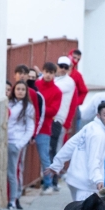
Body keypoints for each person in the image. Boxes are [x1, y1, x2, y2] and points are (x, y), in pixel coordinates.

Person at [46, 102, 105, 210]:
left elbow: (70, 144)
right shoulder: (99, 135)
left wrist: (57, 164)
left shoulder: (89, 128)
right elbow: (94, 159)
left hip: (75, 178)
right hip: (86, 181)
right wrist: (98, 180)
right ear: (98, 115)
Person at [35, 62, 63, 195]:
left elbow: (53, 110)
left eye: (51, 73)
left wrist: (39, 108)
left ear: (54, 74)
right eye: (46, 72)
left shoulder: (57, 91)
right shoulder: (36, 85)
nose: (48, 75)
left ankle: (48, 184)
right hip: (31, 125)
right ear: (43, 71)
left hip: (44, 127)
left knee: (45, 157)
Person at [7, 81, 35, 210]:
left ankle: (14, 199)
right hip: (5, 141)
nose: (20, 91)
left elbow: (30, 128)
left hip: (16, 142)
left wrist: (20, 143)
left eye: (23, 89)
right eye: (18, 89)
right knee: (8, 172)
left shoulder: (28, 107)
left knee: (14, 172)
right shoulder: (8, 103)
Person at [52, 56, 77, 189]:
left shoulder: (69, 82)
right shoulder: (55, 79)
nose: (62, 69)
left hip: (58, 120)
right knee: (49, 150)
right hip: (49, 118)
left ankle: (54, 180)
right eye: (60, 65)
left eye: (65, 67)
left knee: (56, 151)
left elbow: (54, 89)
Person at [14, 64, 42, 134]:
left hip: (26, 131)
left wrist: (33, 133)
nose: (22, 76)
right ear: (15, 75)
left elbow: (36, 114)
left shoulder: (32, 93)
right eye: (20, 73)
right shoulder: (10, 90)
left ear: (27, 76)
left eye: (25, 73)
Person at [68, 49, 88, 133]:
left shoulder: (77, 75)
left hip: (74, 108)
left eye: (78, 59)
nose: (75, 61)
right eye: (74, 57)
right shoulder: (59, 71)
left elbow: (84, 91)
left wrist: (76, 103)